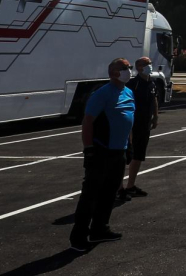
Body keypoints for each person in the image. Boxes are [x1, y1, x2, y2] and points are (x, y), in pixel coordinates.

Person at [70, 58, 135, 253]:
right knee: (90, 195)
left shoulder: (128, 92)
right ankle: (78, 237)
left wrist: (129, 146)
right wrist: (88, 148)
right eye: (124, 68)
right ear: (113, 72)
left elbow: (128, 122)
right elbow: (88, 121)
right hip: (101, 151)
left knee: (109, 194)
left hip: (119, 151)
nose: (128, 71)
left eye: (129, 68)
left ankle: (99, 229)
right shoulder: (102, 94)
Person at [119, 57, 159, 200]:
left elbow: (154, 99)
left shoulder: (151, 83)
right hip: (133, 124)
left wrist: (155, 116)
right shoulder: (133, 84)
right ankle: (119, 188)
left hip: (145, 124)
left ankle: (131, 185)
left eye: (149, 63)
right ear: (139, 67)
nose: (149, 66)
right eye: (145, 64)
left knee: (138, 155)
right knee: (126, 155)